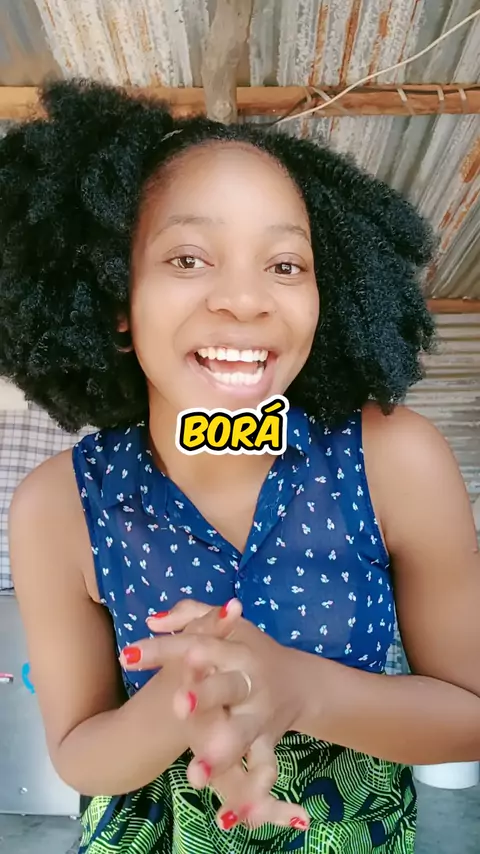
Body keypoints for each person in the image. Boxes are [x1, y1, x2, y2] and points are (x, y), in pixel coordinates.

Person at [2, 79, 480, 854]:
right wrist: (184, 697)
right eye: (188, 257)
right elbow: (78, 753)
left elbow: (471, 715)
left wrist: (300, 689)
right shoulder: (58, 506)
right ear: (117, 300)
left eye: (286, 265)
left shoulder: (397, 461)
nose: (246, 299)